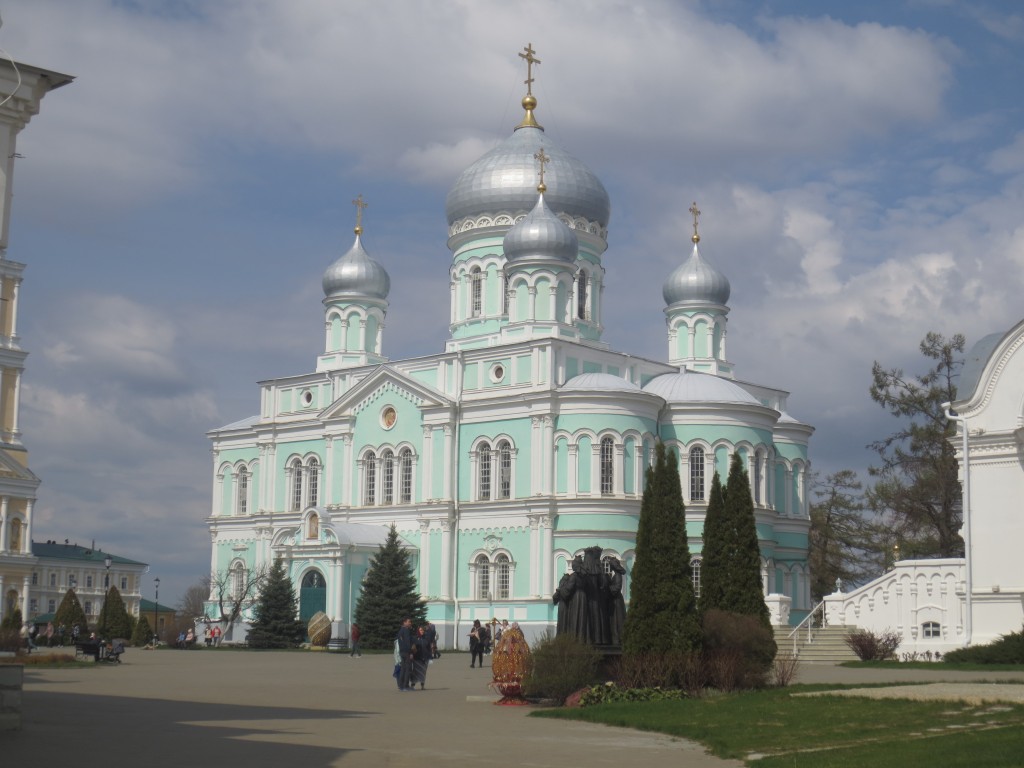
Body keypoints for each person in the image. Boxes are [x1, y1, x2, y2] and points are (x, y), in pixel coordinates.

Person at [396, 617, 415, 691]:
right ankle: (405, 686)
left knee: (403, 669)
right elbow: (407, 642)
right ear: (404, 622)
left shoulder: (400, 630)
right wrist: (410, 652)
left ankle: (401, 685)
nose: (410, 623)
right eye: (409, 622)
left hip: (402, 652)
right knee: (408, 669)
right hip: (406, 652)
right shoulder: (406, 630)